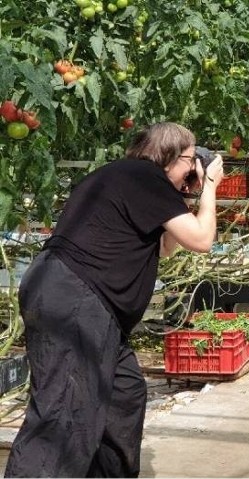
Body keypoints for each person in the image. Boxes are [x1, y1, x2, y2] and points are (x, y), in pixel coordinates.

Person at [5, 122, 224, 478]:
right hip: (77, 299)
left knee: (124, 393)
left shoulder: (132, 178)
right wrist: (211, 187)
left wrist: (187, 192)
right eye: (190, 158)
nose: (194, 167)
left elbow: (167, 247)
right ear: (170, 156)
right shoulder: (143, 177)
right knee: (64, 414)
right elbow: (201, 239)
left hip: (74, 297)